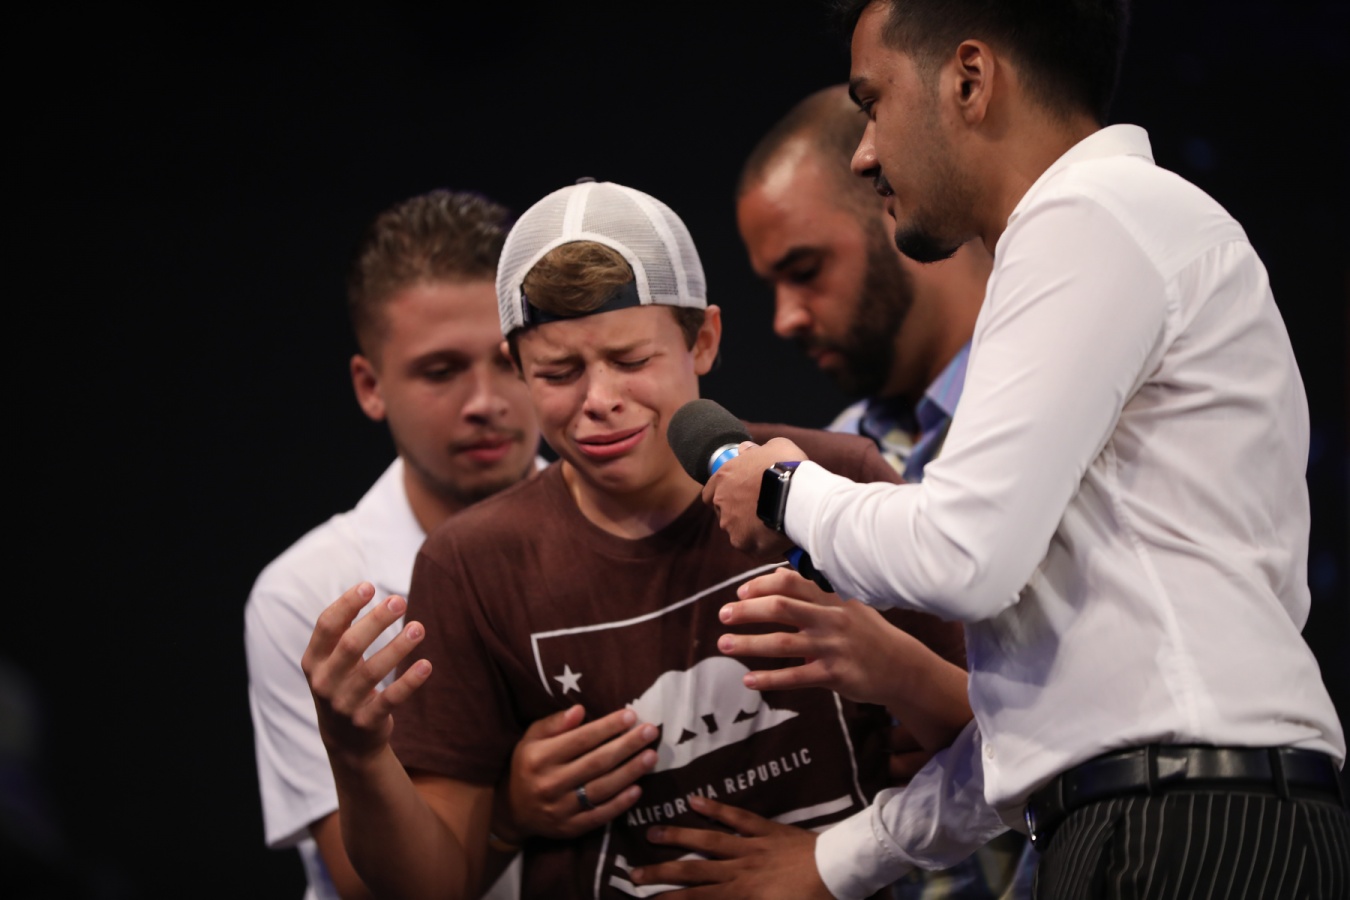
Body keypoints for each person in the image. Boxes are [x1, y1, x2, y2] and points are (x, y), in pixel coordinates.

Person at [700, 1, 1349, 898]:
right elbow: (1056, 729)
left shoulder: (1088, 215)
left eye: (873, 101)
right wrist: (839, 860)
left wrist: (781, 487)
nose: (864, 153)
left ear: (970, 80)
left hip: (1179, 830)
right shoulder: (1123, 227)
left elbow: (960, 556)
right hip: (1181, 822)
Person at [300, 179, 970, 899]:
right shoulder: (472, 566)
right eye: (558, 372)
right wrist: (357, 754)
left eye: (630, 360)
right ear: (518, 368)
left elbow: (1000, 742)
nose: (600, 400)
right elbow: (434, 885)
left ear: (702, 340)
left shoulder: (833, 480)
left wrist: (889, 682)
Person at [736, 83, 1027, 899]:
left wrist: (925, 690)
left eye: (805, 270)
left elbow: (1103, 711)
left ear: (895, 206)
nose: (786, 318)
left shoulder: (1054, 411)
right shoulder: (823, 462)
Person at [244, 189, 540, 900]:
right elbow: (361, 884)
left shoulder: (619, 525)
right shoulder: (307, 594)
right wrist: (510, 811)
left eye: (509, 360)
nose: (485, 401)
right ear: (369, 385)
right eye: (441, 371)